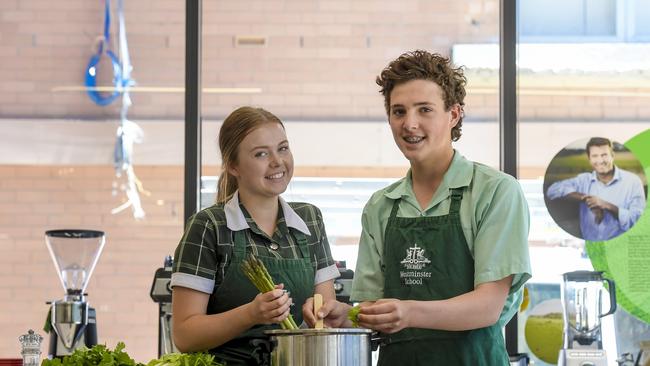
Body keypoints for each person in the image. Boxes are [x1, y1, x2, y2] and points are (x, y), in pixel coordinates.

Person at [302, 50, 532, 365]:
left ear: (454, 114)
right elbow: (373, 308)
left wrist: (409, 312)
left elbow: (488, 306)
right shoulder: (381, 206)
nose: (410, 124)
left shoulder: (494, 192)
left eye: (424, 110)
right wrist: (346, 316)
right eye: (399, 112)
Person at [171, 106, 339, 365]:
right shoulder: (209, 226)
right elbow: (184, 335)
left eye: (282, 148)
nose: (277, 162)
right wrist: (250, 314)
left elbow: (325, 312)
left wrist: (322, 315)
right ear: (233, 166)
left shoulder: (309, 219)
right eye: (261, 154)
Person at [546, 137, 646, 241]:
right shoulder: (584, 180)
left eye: (604, 155)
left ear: (612, 156)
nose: (600, 160)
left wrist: (607, 206)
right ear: (589, 159)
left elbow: (637, 221)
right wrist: (586, 199)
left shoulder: (633, 182)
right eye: (595, 156)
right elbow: (552, 190)